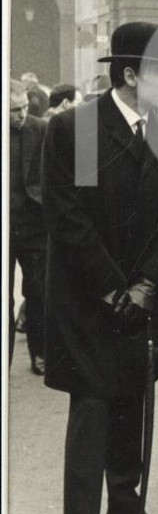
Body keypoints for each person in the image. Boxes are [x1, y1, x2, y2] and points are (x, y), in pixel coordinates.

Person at [41, 23, 158, 514]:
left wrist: (149, 287)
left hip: (142, 302)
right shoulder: (76, 130)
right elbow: (70, 220)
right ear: (131, 76)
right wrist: (114, 291)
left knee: (135, 404)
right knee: (92, 418)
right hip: (90, 303)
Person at [9, 81, 48, 373]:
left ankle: (40, 354)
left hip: (34, 225)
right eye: (13, 110)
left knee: (37, 292)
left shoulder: (40, 128)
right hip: (4, 228)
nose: (21, 114)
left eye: (24, 107)